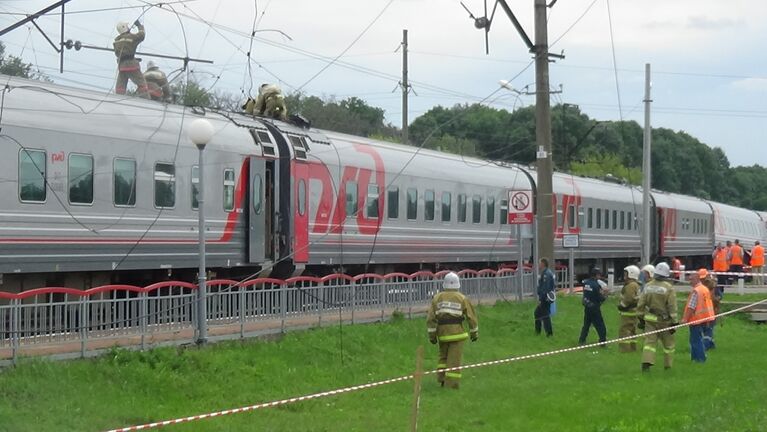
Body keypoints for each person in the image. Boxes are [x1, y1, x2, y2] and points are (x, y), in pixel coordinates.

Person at [426, 272, 478, 389]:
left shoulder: (437, 298)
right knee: (454, 361)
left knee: (443, 358)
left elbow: (431, 319)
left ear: (444, 284)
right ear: (458, 284)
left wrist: (432, 336)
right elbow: (471, 317)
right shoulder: (462, 298)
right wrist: (474, 333)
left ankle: (441, 379)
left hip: (442, 334)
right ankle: (451, 385)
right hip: (457, 334)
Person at [637, 262, 677, 372]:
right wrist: (674, 322)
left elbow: (641, 304)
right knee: (668, 345)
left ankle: (646, 363)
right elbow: (672, 306)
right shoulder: (669, 288)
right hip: (665, 321)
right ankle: (668, 366)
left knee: (649, 343)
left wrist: (640, 318)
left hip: (650, 319)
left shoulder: (648, 286)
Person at [682, 269, 716, 363]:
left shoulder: (696, 291)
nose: (690, 281)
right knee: (698, 339)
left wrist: (685, 319)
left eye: (691, 279)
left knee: (695, 340)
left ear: (697, 279)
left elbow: (691, 307)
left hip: (696, 319)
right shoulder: (704, 289)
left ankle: (700, 359)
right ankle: (695, 359)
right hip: (706, 317)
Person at [113, 20, 149, 98]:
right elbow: (142, 35)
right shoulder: (131, 37)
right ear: (125, 27)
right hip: (132, 65)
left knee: (120, 87)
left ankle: (117, 100)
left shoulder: (116, 41)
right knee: (142, 84)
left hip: (122, 66)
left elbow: (121, 53)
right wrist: (139, 26)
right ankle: (146, 100)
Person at [578, 267, 608, 346]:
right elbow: (599, 298)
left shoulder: (586, 283)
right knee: (600, 325)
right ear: (597, 275)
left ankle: (582, 340)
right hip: (595, 308)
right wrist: (605, 296)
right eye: (599, 275)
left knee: (586, 325)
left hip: (587, 306)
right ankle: (603, 341)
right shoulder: (596, 285)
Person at [617, 265, 641, 352]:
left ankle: (625, 350)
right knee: (632, 332)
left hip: (628, 312)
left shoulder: (630, 285)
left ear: (631, 274)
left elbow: (628, 298)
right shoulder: (635, 285)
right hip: (633, 312)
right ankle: (632, 348)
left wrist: (622, 306)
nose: (624, 276)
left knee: (625, 331)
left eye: (626, 274)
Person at [534, 258, 556, 337]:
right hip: (545, 297)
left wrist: (541, 298)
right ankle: (538, 332)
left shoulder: (546, 274)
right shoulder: (546, 273)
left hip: (545, 298)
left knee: (545, 315)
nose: (538, 265)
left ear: (543, 264)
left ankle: (549, 333)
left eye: (539, 263)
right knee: (538, 313)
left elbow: (545, 288)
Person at [701, 272, 720, 350]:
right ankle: (708, 344)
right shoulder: (704, 290)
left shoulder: (708, 289)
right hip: (707, 313)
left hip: (710, 313)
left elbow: (718, 298)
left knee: (708, 329)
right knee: (708, 329)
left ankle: (708, 345)